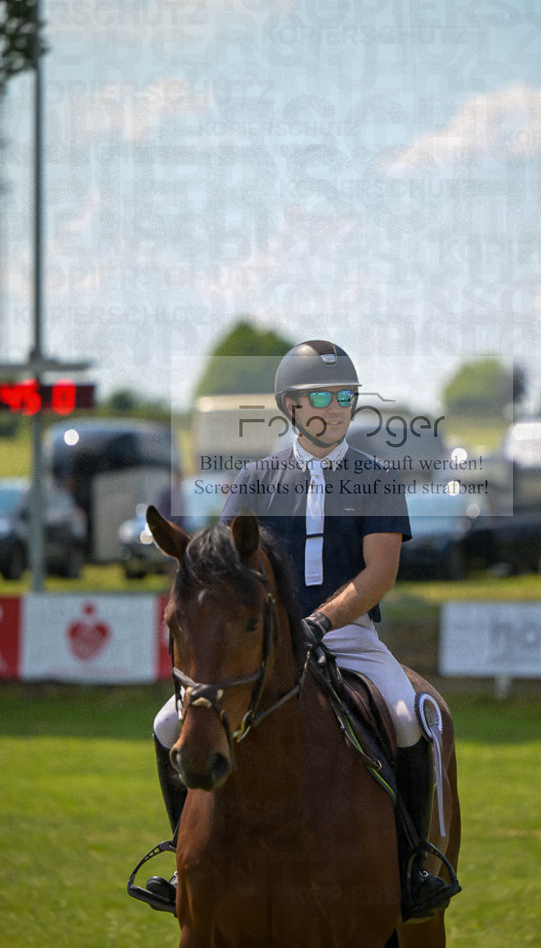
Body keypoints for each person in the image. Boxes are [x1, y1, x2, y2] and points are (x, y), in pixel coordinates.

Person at [143, 340, 459, 921]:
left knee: (411, 716)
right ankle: (181, 858)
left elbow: (380, 571)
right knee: (168, 723)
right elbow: (226, 571)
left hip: (351, 637)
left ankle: (413, 867)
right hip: (266, 642)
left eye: (345, 397)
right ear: (290, 405)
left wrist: (320, 620)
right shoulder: (254, 479)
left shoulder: (378, 477)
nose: (335, 408)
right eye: (321, 397)